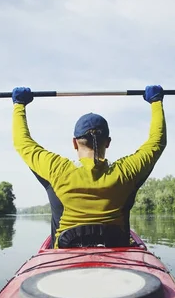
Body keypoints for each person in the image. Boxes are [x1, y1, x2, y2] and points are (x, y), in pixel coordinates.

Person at [12, 85, 166, 248]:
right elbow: (157, 143)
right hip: (117, 252)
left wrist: (19, 105)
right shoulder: (126, 172)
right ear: (108, 142)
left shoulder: (56, 170)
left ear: (74, 143)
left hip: (64, 257)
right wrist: (156, 102)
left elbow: (23, 143)